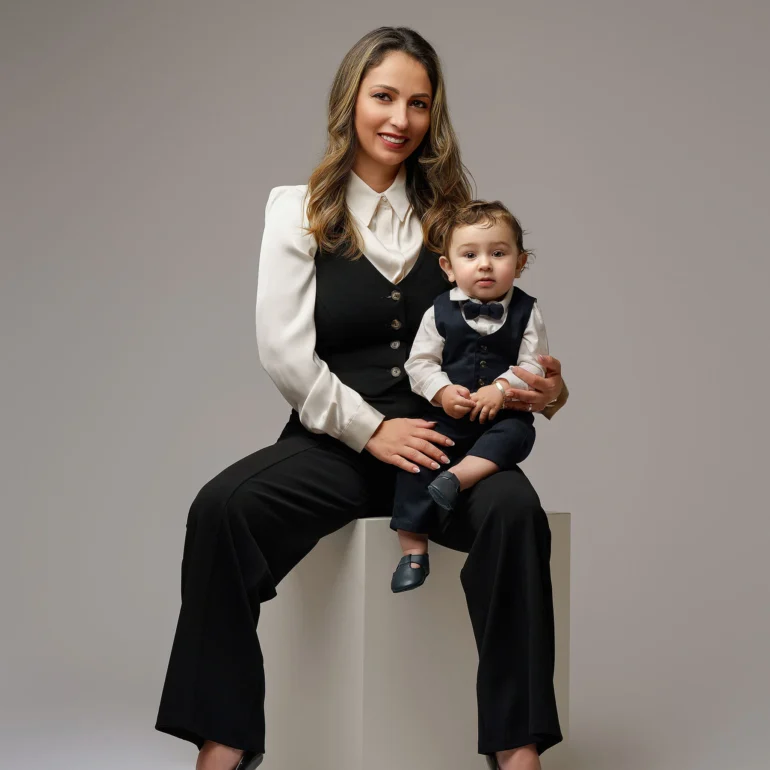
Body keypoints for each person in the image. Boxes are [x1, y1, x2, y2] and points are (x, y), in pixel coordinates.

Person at [155, 26, 569, 770]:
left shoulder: (457, 220)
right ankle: (227, 737)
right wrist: (372, 430)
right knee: (221, 510)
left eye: (418, 103)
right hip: (336, 441)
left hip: (449, 443)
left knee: (515, 513)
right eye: (384, 97)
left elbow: (510, 335)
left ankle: (516, 746)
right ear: (351, 100)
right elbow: (284, 350)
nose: (400, 119)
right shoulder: (298, 210)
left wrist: (549, 393)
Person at [390, 200, 549, 594]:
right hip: (448, 418)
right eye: (470, 255)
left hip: (498, 420)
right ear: (448, 267)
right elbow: (420, 363)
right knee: (416, 461)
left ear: (521, 261)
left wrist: (501, 388)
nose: (484, 265)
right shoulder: (438, 311)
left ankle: (456, 479)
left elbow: (535, 366)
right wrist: (443, 392)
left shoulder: (528, 311)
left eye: (498, 254)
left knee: (517, 435)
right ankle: (413, 551)